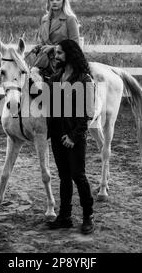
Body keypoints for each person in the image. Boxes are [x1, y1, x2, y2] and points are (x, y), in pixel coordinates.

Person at [46, 39, 95, 234]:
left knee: (78, 176)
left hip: (75, 137)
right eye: (55, 53)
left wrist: (74, 136)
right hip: (57, 135)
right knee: (64, 177)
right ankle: (65, 216)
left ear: (70, 54)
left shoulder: (85, 80)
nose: (56, 56)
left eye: (59, 53)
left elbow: (87, 114)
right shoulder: (56, 77)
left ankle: (88, 216)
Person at [29, 0, 80, 81]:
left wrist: (53, 48)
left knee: (56, 92)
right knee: (31, 84)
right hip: (44, 61)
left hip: (63, 63)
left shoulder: (70, 19)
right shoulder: (44, 19)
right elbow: (44, 41)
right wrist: (39, 47)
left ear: (63, 1)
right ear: (48, 1)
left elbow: (75, 44)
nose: (54, 2)